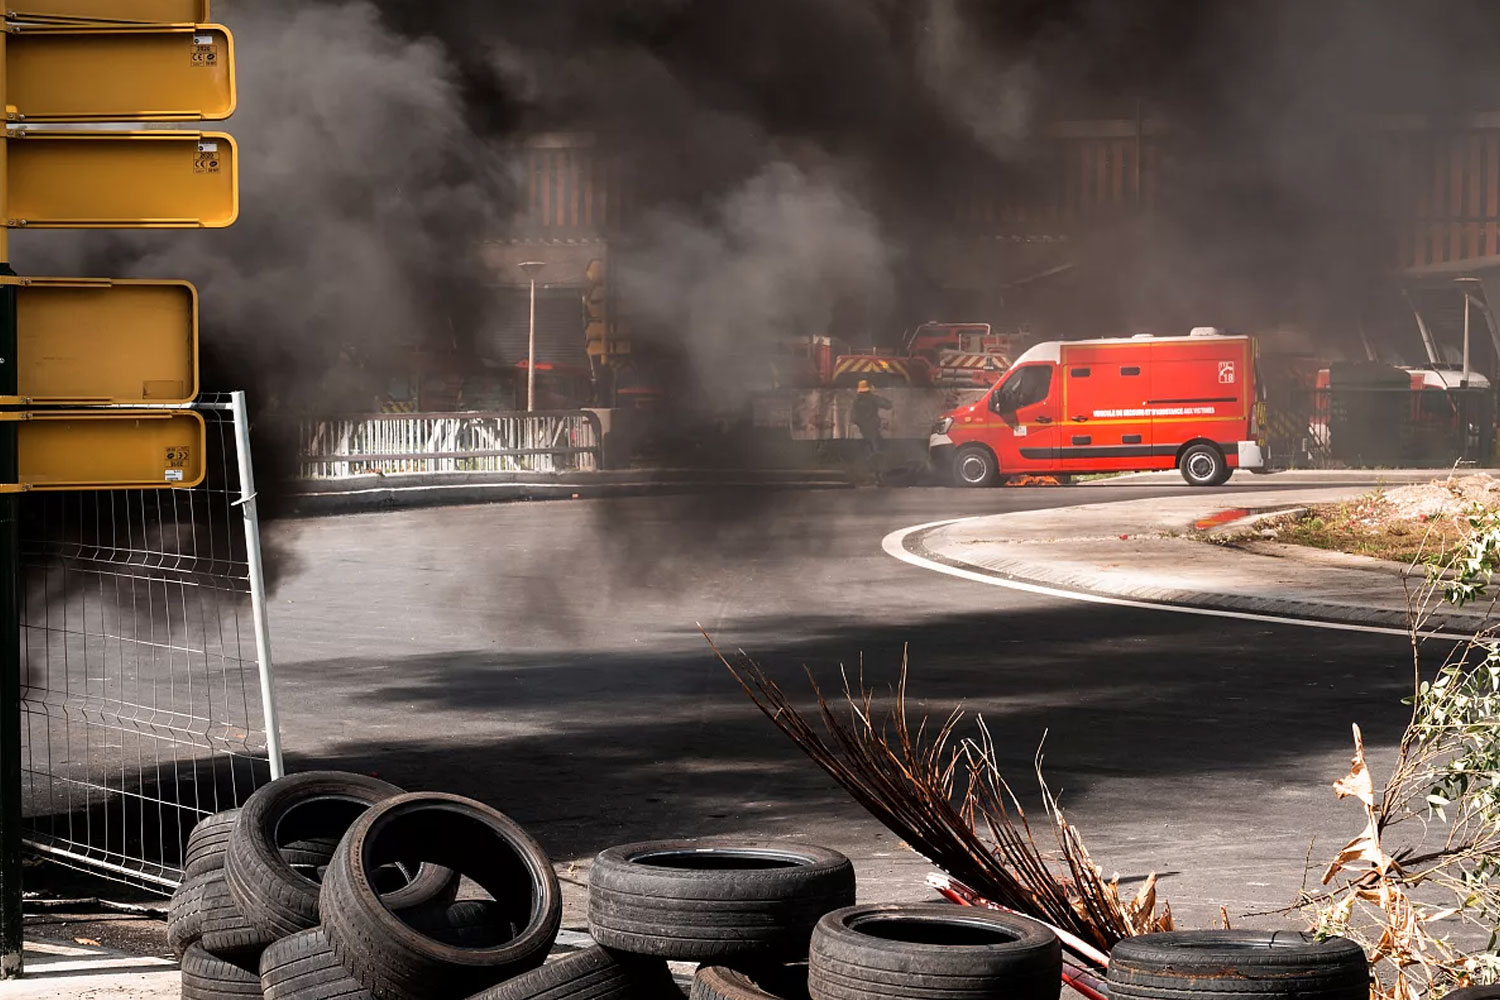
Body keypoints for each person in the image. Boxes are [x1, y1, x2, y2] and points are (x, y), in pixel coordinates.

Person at [851, 379, 892, 482]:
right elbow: (888, 405)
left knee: (868, 450)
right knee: (877, 450)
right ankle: (878, 474)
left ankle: (869, 474)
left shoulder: (856, 401)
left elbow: (854, 418)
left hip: (863, 430)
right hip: (872, 428)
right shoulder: (872, 398)